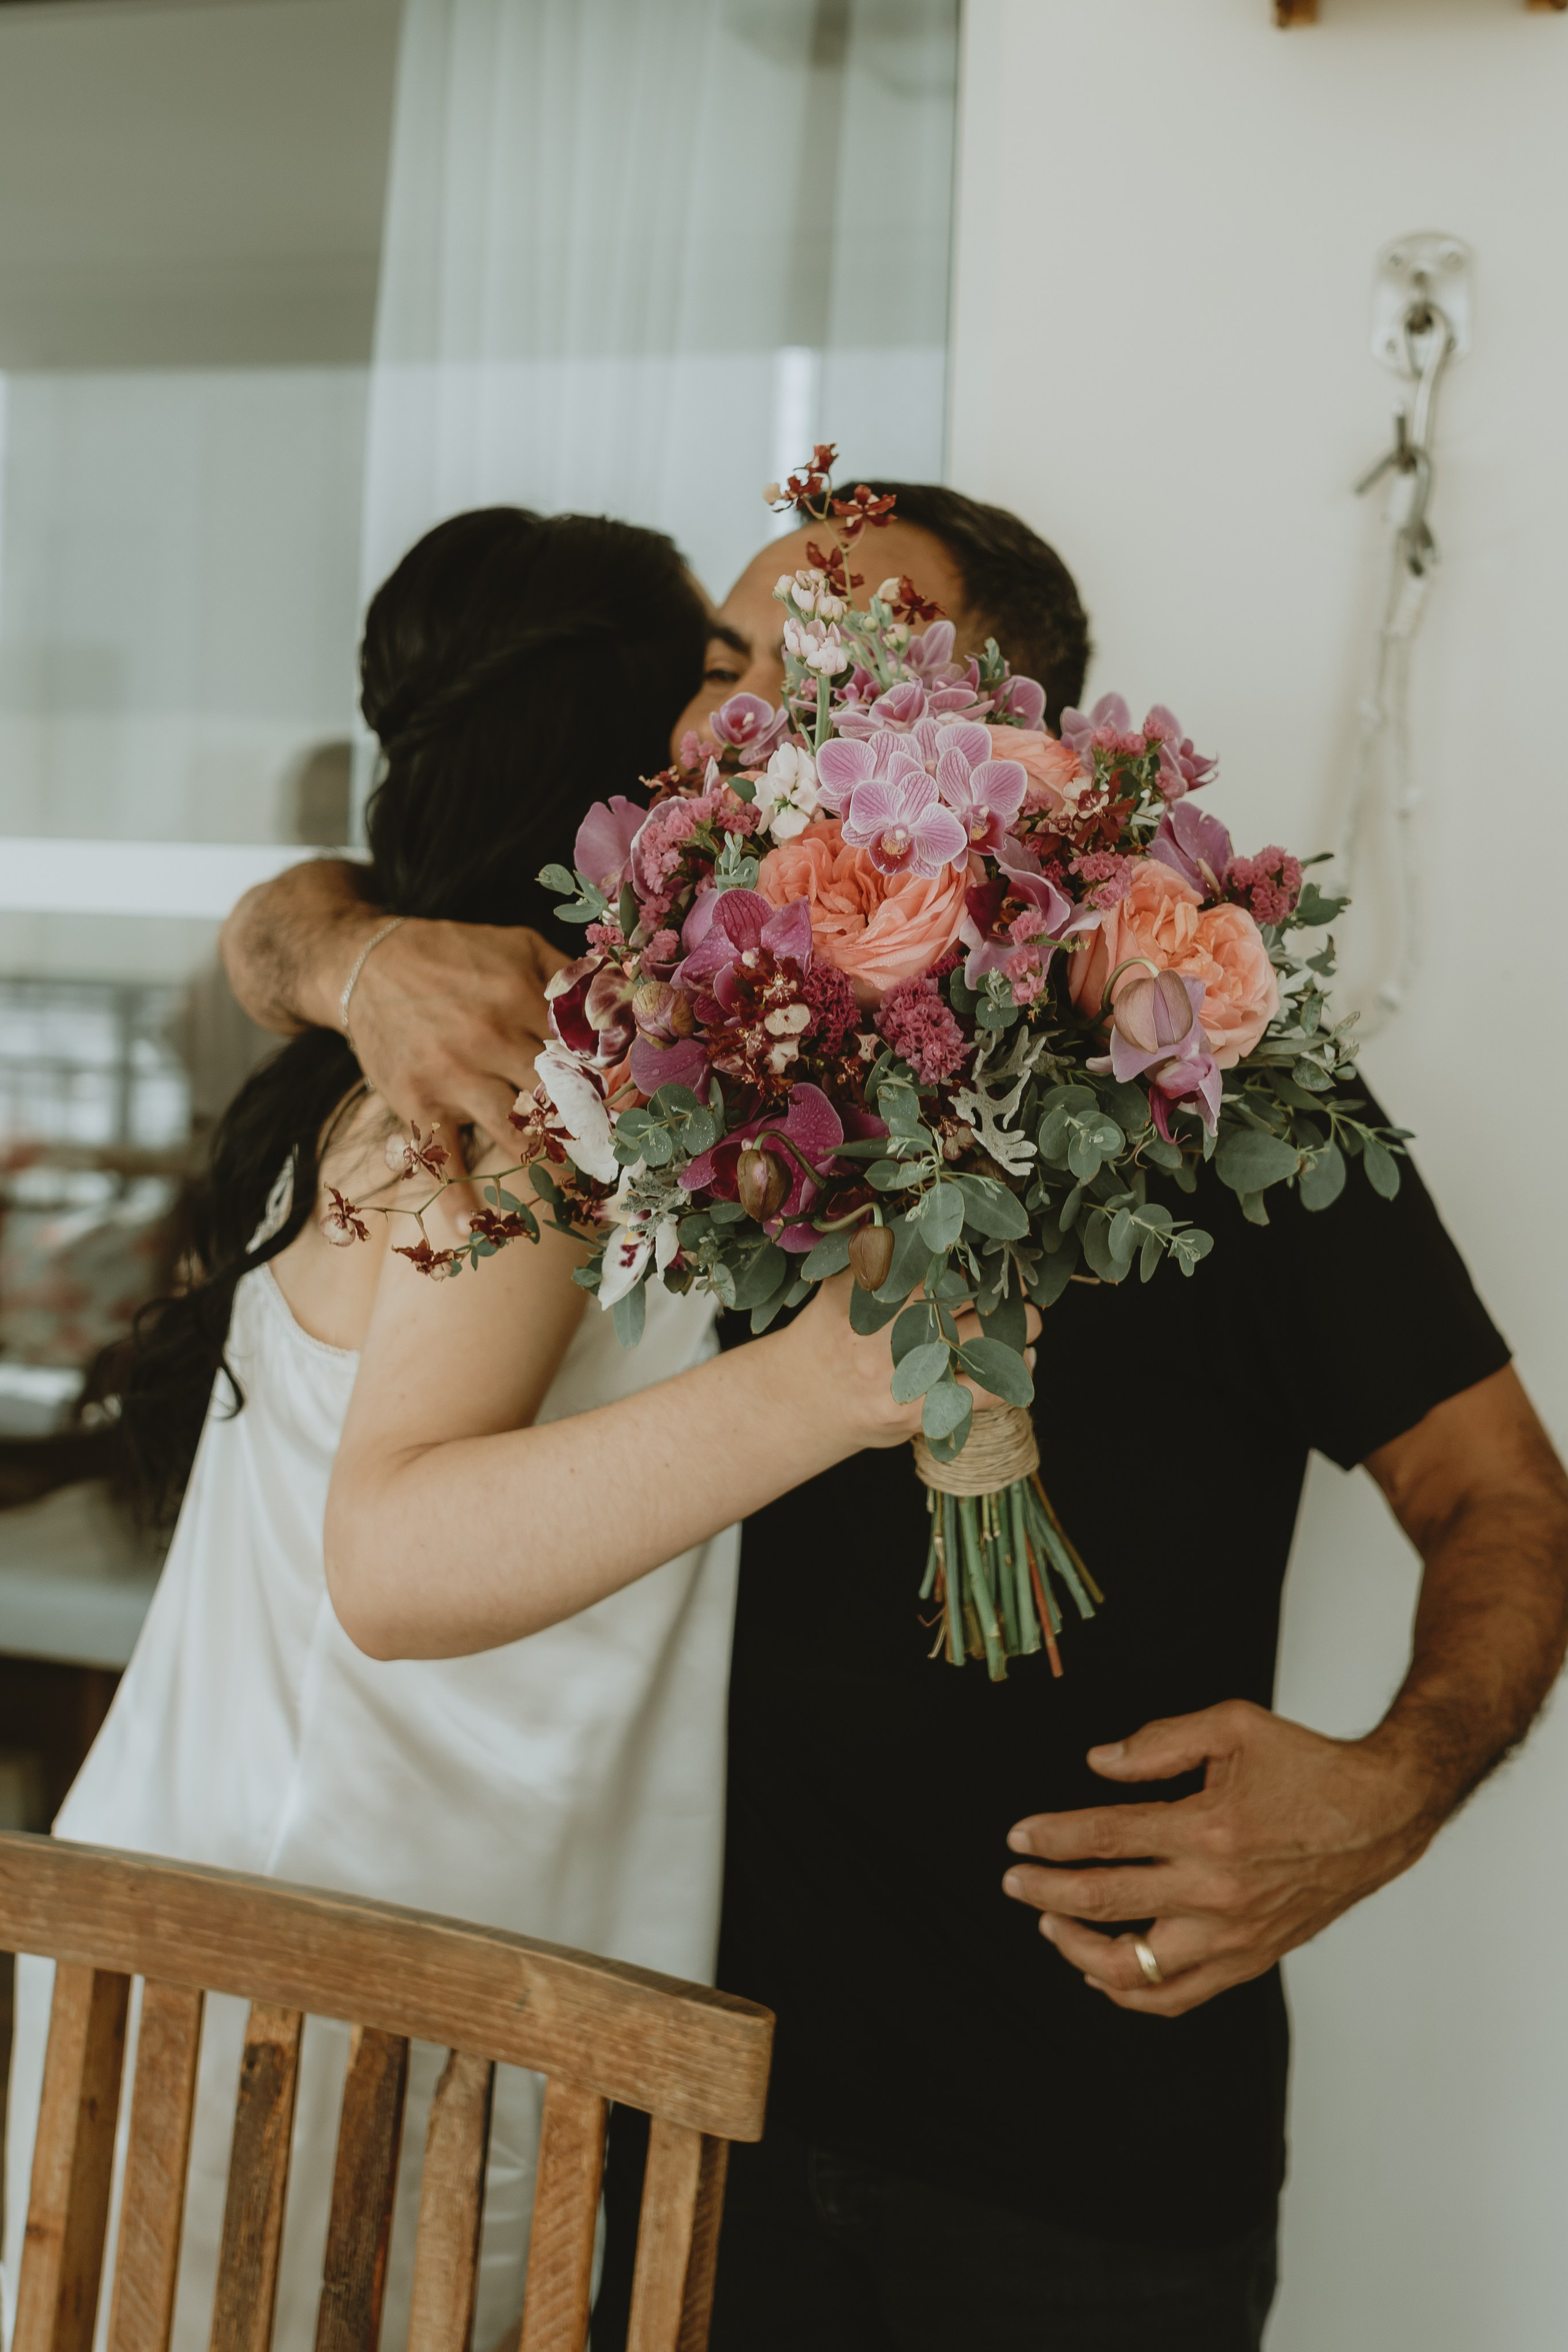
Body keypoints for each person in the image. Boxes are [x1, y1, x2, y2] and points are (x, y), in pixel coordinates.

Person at [216, 484, 1568, 2350]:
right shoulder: (648, 1046)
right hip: (681, 2132)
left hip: (1090, 2165)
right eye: (724, 666)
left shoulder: (1225, 1079)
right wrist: (337, 953)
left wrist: (1387, 1791)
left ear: (1008, 744)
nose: (741, 718)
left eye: (828, 670)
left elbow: (1504, 1496)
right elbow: (310, 918)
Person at [1, 505, 1015, 2352]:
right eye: (714, 671)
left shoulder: (603, 1050)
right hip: (329, 1999)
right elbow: (391, 1563)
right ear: (615, 748)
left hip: (345, 1965)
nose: (744, 722)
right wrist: (831, 1385)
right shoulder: (522, 1089)